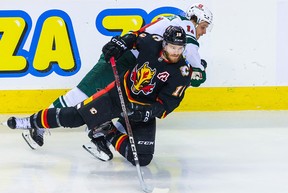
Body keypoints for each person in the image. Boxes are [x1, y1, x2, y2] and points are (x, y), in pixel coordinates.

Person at [23, 3, 213, 149]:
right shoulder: (187, 28)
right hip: (127, 60)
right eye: (203, 26)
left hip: (137, 66)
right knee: (84, 92)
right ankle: (39, 123)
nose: (203, 32)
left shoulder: (171, 19)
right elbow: (196, 73)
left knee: (129, 105)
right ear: (194, 19)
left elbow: (140, 34)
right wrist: (199, 69)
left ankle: (100, 135)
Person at [6, 25, 192, 166]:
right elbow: (134, 37)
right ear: (164, 44)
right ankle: (30, 122)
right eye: (172, 47)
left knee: (142, 158)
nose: (175, 52)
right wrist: (119, 43)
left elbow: (167, 104)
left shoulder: (182, 72)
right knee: (75, 117)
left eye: (179, 48)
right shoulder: (152, 42)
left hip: (141, 111)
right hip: (120, 95)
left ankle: (107, 131)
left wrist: (145, 113)